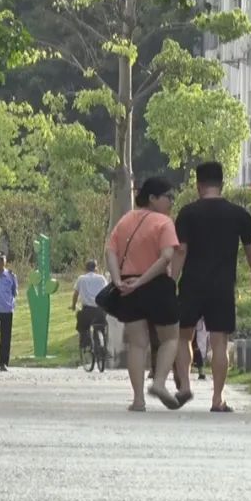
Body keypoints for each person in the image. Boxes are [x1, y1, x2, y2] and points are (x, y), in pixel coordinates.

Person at [171, 161, 251, 412]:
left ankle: (185, 388)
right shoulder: (238, 213)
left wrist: (170, 281)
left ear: (198, 185)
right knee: (219, 341)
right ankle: (217, 399)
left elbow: (180, 251)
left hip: (191, 283)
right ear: (222, 184)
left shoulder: (187, 213)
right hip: (222, 286)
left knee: (184, 337)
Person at [105, 177, 182, 412]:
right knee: (170, 337)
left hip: (128, 287)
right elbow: (167, 257)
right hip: (156, 284)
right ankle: (159, 383)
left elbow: (110, 250)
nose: (171, 201)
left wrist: (118, 279)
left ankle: (138, 399)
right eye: (167, 196)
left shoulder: (126, 220)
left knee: (137, 345)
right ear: (152, 198)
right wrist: (143, 280)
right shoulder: (164, 222)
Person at [72, 260, 108, 350]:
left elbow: (75, 294)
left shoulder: (81, 278)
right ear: (96, 268)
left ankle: (85, 342)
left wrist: (73, 305)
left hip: (87, 311)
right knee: (101, 327)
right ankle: (102, 347)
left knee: (82, 324)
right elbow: (107, 292)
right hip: (100, 310)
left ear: (85, 269)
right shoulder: (102, 278)